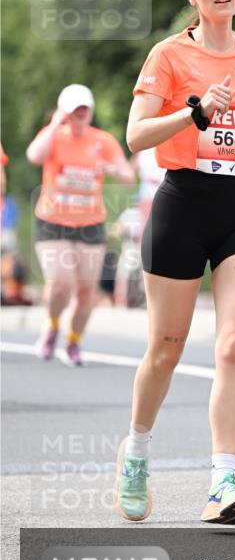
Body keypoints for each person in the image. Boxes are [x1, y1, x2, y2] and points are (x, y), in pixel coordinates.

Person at [115, 0, 235, 525]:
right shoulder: (169, 54)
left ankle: (223, 482)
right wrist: (192, 114)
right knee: (166, 349)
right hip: (182, 204)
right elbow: (136, 135)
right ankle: (137, 451)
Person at [26, 85, 134, 365]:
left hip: (90, 223)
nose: (80, 114)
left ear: (91, 111)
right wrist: (54, 125)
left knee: (87, 290)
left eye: (85, 109)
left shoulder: (103, 140)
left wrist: (109, 168)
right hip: (53, 221)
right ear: (65, 112)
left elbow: (126, 175)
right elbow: (34, 156)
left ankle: (73, 342)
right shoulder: (53, 138)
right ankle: (51, 325)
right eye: (75, 110)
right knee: (60, 283)